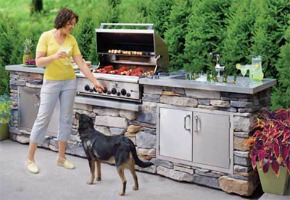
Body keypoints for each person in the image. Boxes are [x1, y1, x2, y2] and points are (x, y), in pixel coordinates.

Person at [26, 8, 103, 174]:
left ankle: (61, 158)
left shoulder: (71, 39)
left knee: (66, 119)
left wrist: (95, 81)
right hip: (51, 83)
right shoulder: (46, 37)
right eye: (70, 23)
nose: (72, 27)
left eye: (74, 24)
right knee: (43, 118)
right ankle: (30, 159)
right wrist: (55, 56)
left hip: (69, 82)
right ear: (62, 21)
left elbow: (81, 63)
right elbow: (39, 62)